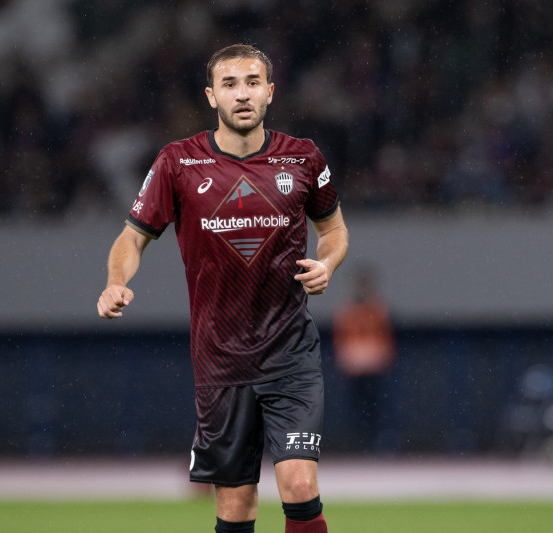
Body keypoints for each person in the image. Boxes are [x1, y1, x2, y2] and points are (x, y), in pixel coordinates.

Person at [97, 43, 348, 533]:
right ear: (211, 95)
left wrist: (329, 264)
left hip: (290, 353)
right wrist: (115, 282)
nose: (242, 94)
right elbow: (132, 237)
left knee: (299, 485)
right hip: (220, 361)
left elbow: (334, 230)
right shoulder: (178, 163)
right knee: (237, 507)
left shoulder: (302, 157)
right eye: (229, 84)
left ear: (270, 93)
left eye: (253, 82)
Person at [332, 265, 395, 453]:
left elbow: (385, 335)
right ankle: (358, 440)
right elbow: (341, 337)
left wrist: (385, 356)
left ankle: (374, 440)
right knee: (357, 405)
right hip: (355, 364)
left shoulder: (378, 308)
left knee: (375, 404)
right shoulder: (347, 310)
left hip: (374, 363)